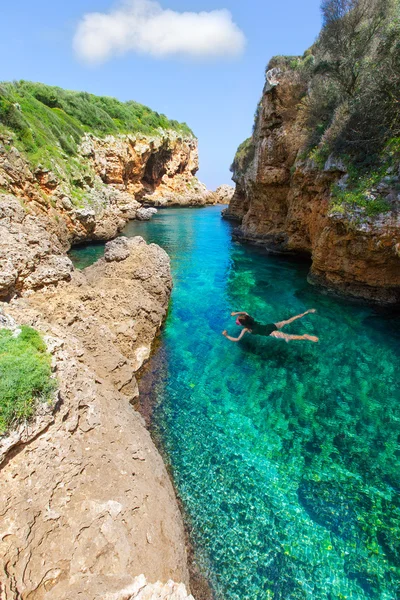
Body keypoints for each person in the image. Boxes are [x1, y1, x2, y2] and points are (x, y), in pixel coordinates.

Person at [222, 309, 318, 343]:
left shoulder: (246, 329)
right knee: (287, 321)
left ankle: (305, 337)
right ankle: (305, 313)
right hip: (271, 326)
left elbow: (237, 339)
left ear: (243, 324)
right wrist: (235, 313)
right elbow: (244, 312)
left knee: (287, 337)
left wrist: (226, 335)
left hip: (270, 332)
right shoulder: (250, 317)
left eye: (238, 321)